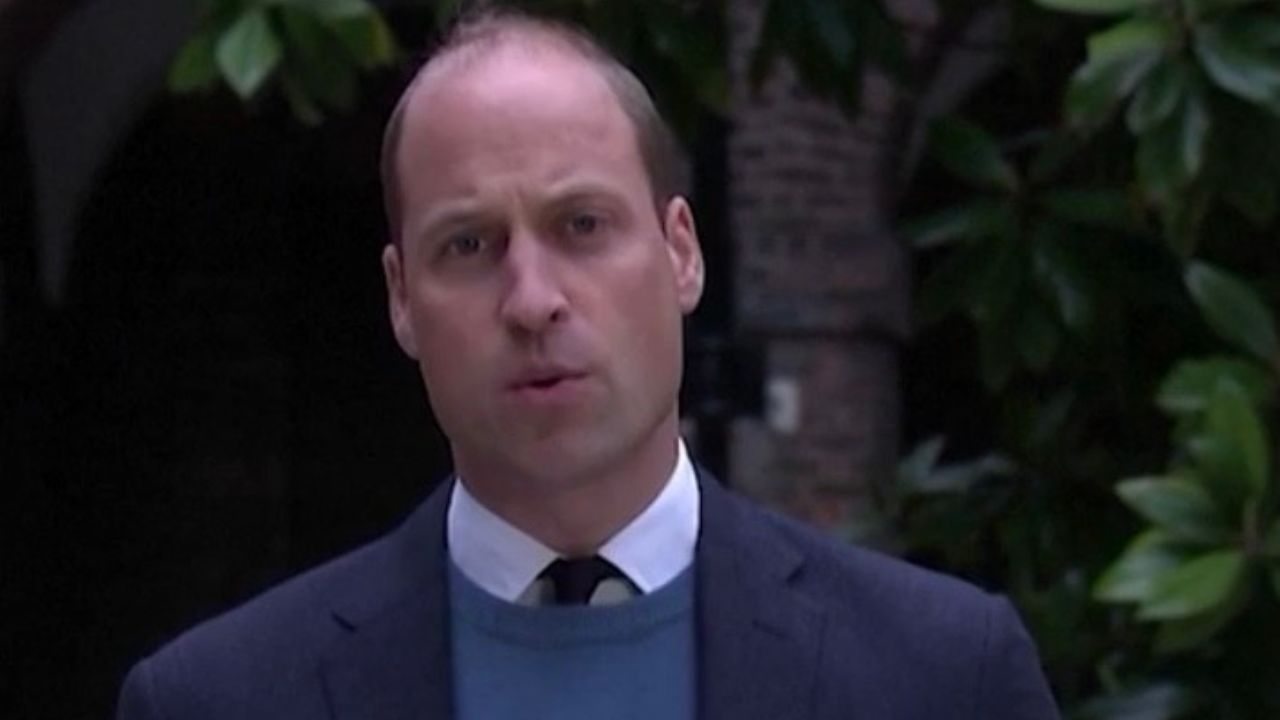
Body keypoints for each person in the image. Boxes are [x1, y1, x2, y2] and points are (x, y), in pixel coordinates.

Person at [117, 10, 1060, 720]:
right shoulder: (217, 700)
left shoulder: (943, 675)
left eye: (581, 225)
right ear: (401, 298)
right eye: (469, 245)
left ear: (681, 252)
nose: (532, 300)